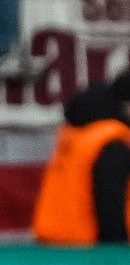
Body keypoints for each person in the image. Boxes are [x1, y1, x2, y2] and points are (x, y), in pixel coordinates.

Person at [32, 74, 130, 246]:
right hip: (90, 250)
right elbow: (110, 205)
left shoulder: (78, 131)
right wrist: (117, 251)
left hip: (54, 243)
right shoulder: (111, 141)